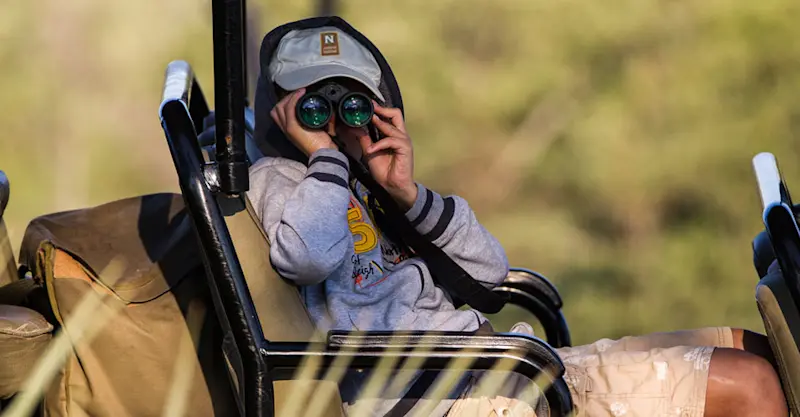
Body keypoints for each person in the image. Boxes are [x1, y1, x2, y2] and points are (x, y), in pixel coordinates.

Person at [248, 18, 788, 417]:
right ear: (280, 111)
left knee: (749, 347)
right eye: (310, 103)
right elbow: (309, 257)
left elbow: (488, 274)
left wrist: (407, 193)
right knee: (752, 385)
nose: (333, 116)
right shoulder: (281, 179)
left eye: (352, 100)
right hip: (448, 397)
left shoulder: (371, 182)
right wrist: (322, 158)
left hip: (492, 368)